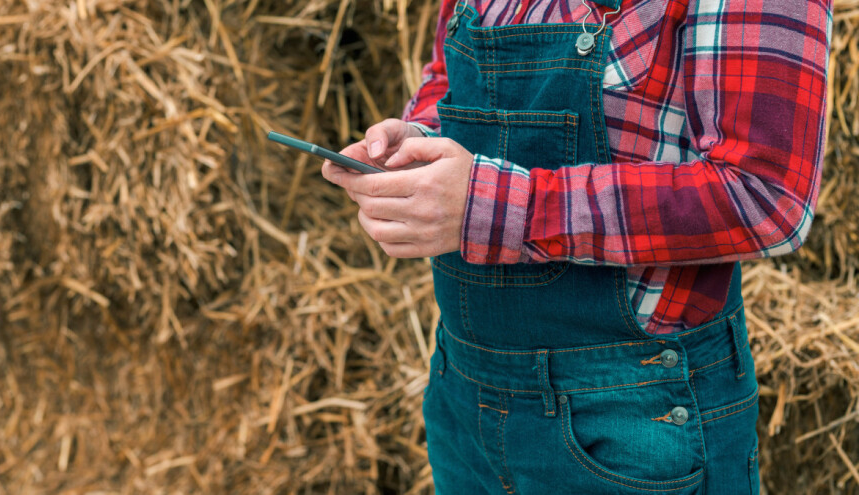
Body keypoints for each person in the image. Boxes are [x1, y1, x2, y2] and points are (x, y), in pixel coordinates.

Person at [322, 0, 832, 492]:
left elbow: (765, 197)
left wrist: (494, 206)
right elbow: (448, 74)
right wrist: (418, 140)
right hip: (462, 391)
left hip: (632, 413)